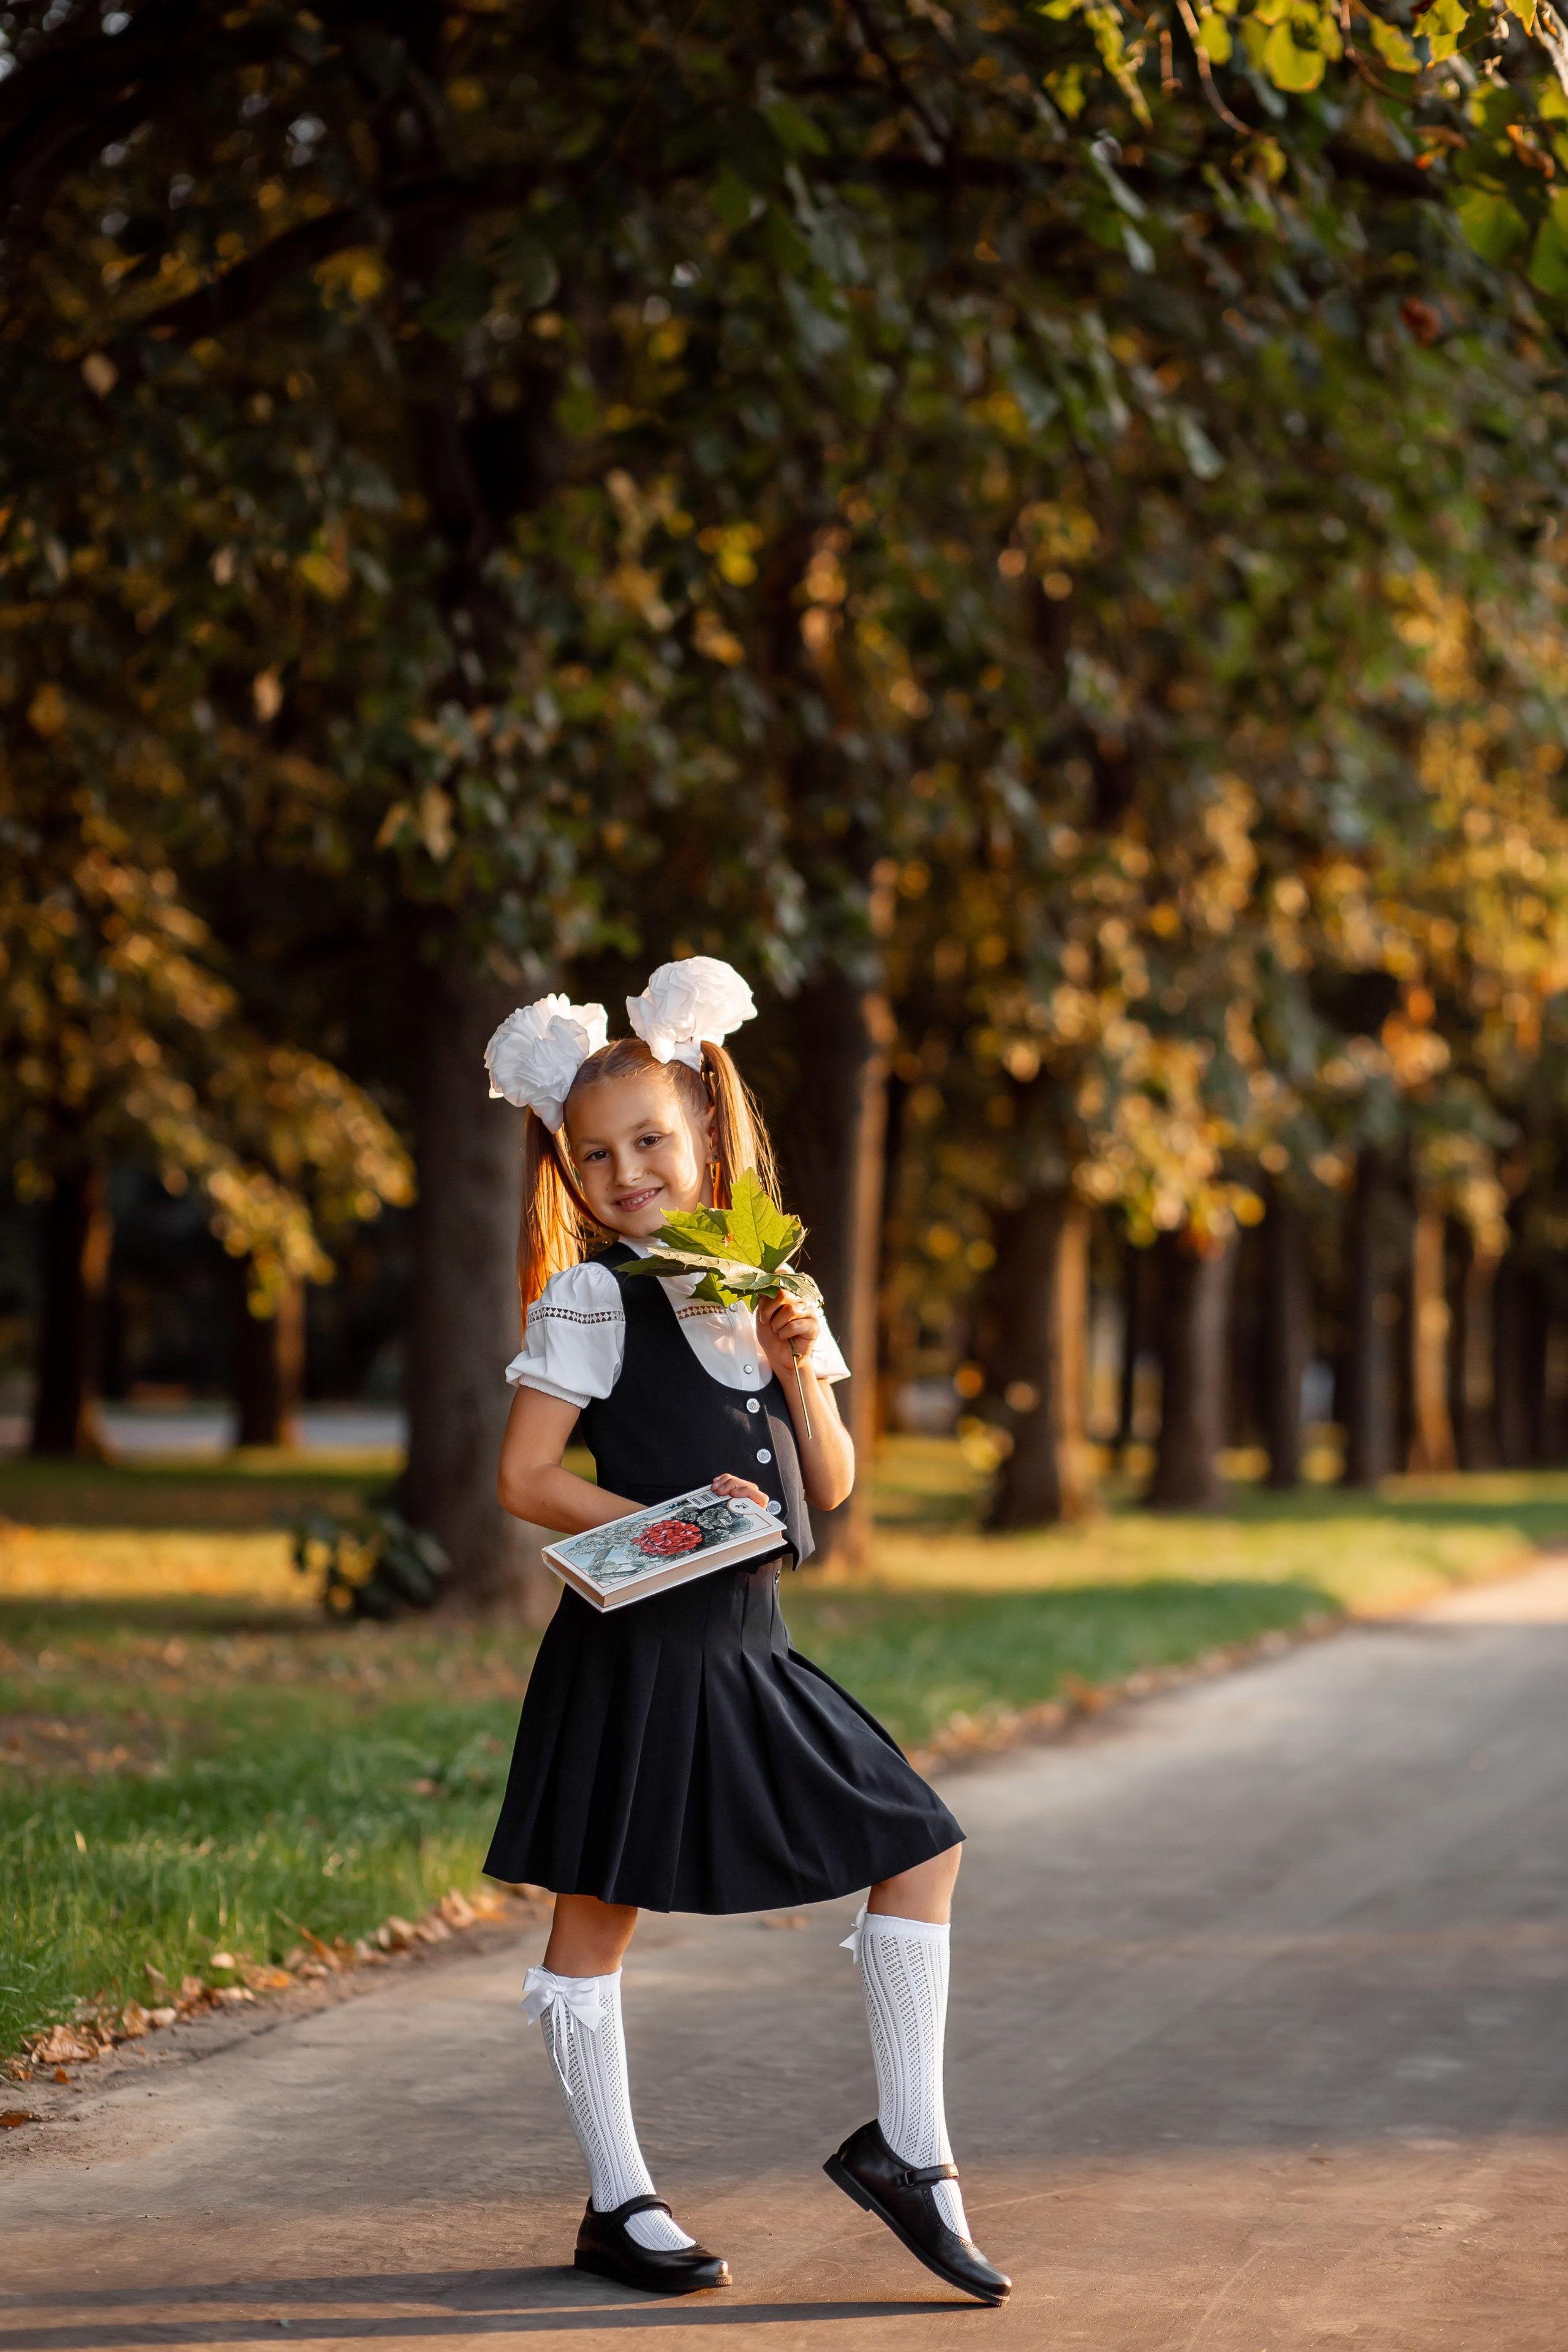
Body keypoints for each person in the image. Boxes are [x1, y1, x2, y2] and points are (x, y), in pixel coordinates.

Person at [483, 957, 1009, 2307]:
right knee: (597, 1919)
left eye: (650, 1139)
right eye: (593, 1154)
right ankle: (618, 2200)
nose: (624, 1170)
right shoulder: (593, 1299)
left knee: (920, 1847)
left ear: (707, 1133)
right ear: (571, 1166)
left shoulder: (764, 1285)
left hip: (750, 1650)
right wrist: (677, 1529)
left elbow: (826, 1485)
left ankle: (911, 2154)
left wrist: (799, 1370)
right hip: (636, 1656)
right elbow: (526, 1480)